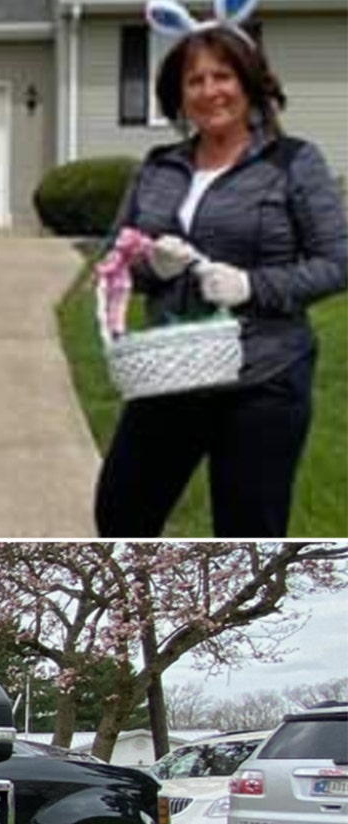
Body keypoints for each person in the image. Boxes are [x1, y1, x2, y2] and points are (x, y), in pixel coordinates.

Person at [94, 11, 346, 538]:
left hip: (262, 376)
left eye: (222, 76)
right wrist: (148, 265)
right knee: (120, 512)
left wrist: (254, 285)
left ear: (249, 83)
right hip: (171, 367)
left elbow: (337, 261)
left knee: (247, 532)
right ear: (179, 94)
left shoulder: (292, 162)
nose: (210, 91)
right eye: (195, 80)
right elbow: (115, 259)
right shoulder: (158, 167)